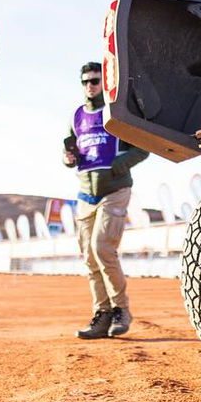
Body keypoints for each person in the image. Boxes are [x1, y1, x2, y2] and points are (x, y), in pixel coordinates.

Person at [64, 63, 148, 339]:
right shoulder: (76, 116)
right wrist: (68, 158)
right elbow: (70, 150)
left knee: (102, 248)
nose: (91, 85)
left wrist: (116, 166)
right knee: (89, 256)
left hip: (114, 190)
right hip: (85, 194)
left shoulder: (116, 110)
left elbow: (143, 147)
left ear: (104, 81)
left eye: (95, 80)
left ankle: (121, 309)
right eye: (86, 81)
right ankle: (102, 315)